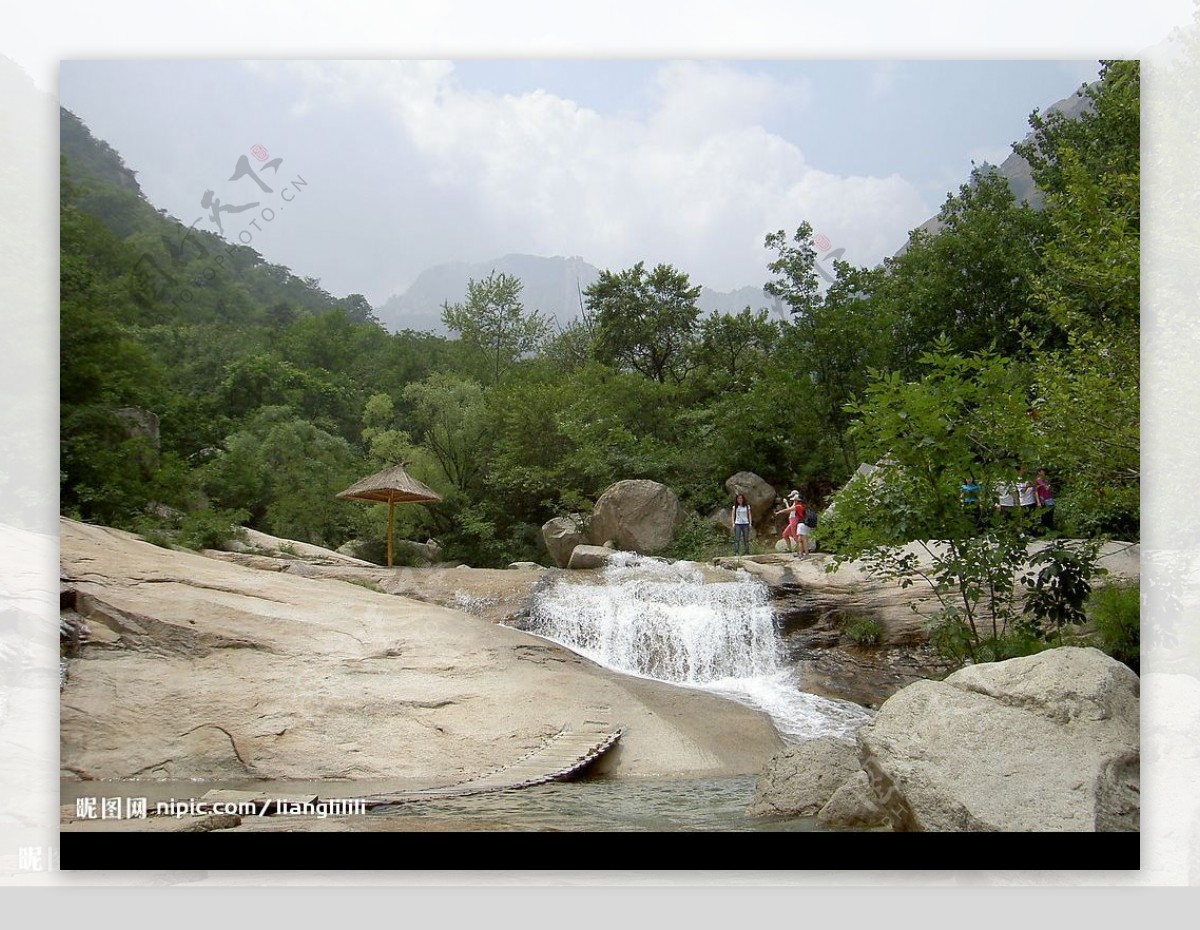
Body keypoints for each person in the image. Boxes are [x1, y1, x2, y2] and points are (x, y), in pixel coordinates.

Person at [775, 490, 808, 558]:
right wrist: (786, 503)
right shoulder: (796, 504)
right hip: (792, 521)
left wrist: (779, 512)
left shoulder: (798, 505)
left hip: (794, 521)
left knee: (796, 537)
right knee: (785, 534)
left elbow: (788, 510)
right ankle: (793, 551)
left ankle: (800, 552)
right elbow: (790, 510)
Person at [1035, 468, 1055, 533]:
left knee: (1050, 516)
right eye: (1042, 471)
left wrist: (1049, 487)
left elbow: (1050, 490)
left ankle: (1050, 531)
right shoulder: (1037, 481)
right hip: (1043, 500)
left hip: (1049, 499)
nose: (1043, 472)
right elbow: (1036, 492)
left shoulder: (1046, 480)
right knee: (1044, 516)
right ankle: (1043, 532)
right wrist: (1038, 502)